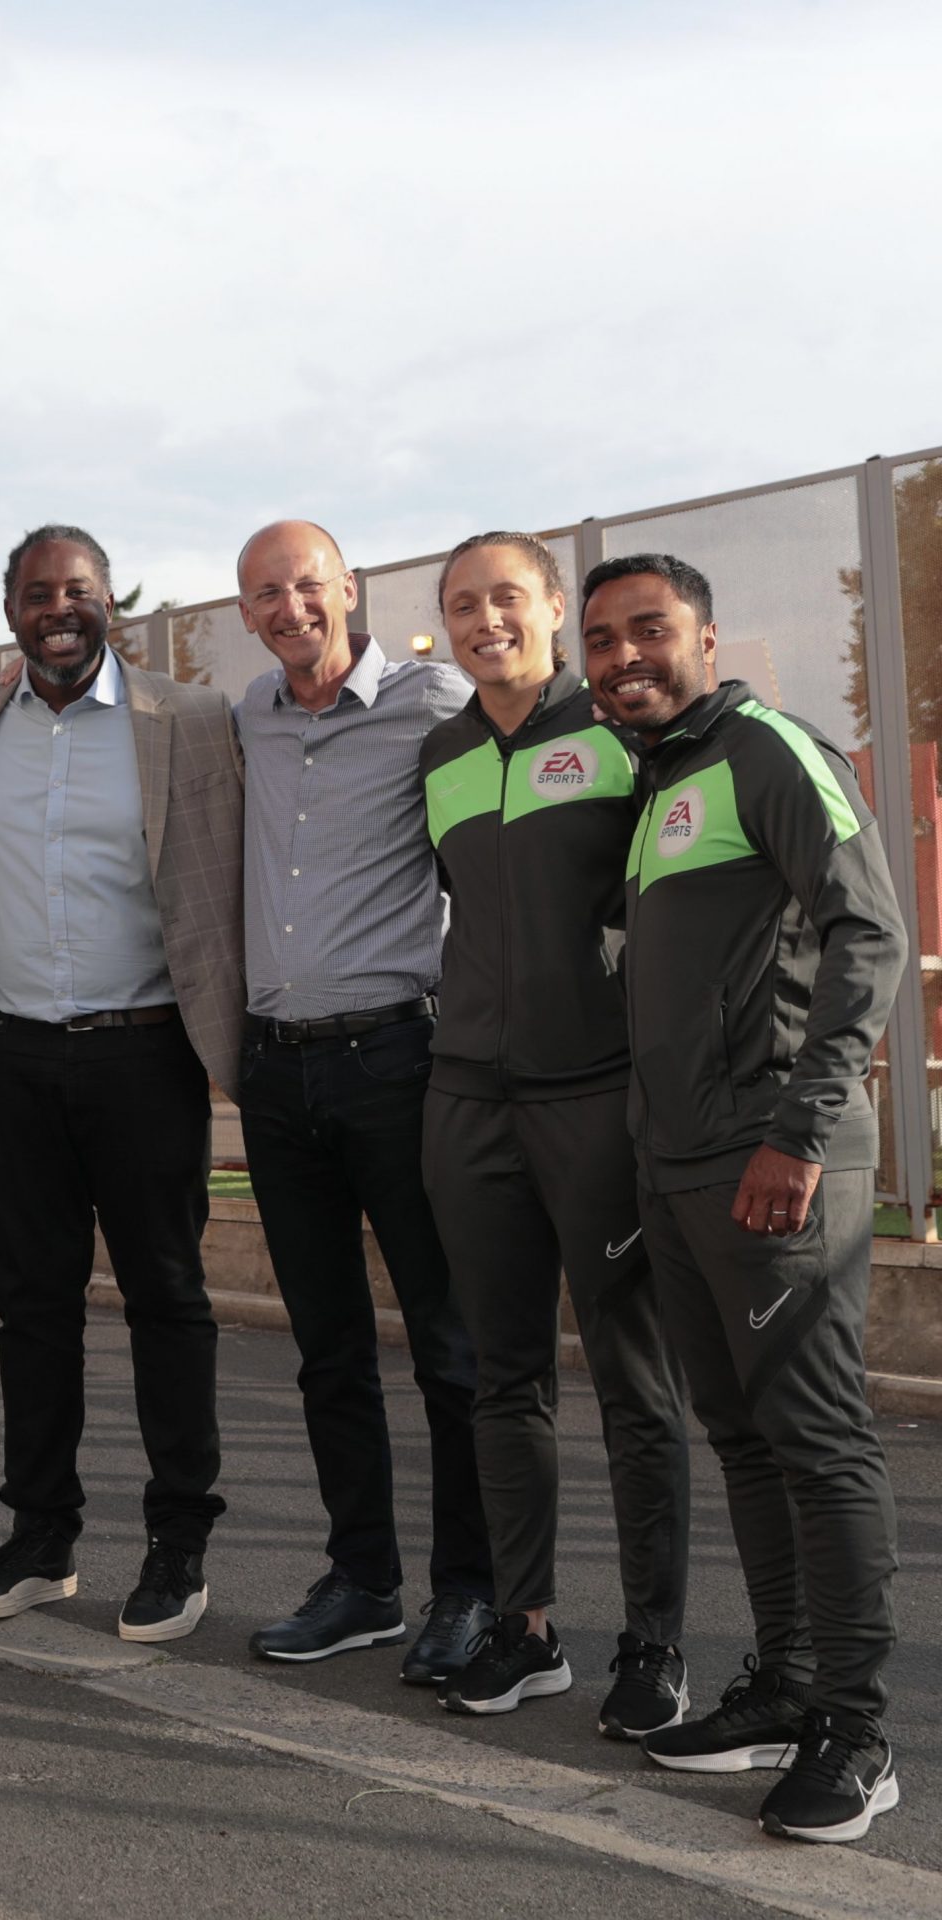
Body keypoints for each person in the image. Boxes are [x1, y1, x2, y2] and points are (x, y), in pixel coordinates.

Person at [587, 553, 907, 1844]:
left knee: (819, 1442)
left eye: (648, 629)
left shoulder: (769, 749)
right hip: (677, 1167)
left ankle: (859, 1733)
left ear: (707, 640)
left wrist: (801, 1131)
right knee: (742, 1433)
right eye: (600, 639)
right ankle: (785, 1687)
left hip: (773, 1160)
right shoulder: (659, 780)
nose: (622, 656)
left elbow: (869, 932)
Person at [0, 525, 245, 1640]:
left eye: (80, 589)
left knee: (168, 1302)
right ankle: (40, 1535)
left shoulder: (189, 718)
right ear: (9, 608)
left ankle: (178, 1542)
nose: (60, 607)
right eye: (37, 591)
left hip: (146, 1052)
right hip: (14, 1056)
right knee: (32, 1308)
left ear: (111, 602)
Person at [415, 533, 692, 1726]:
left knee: (634, 1380)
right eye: (461, 605)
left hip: (596, 1099)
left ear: (549, 612)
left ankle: (654, 1646)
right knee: (502, 1378)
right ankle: (525, 1630)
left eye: (506, 599)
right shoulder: (438, 755)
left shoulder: (624, 734)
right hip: (467, 1102)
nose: (485, 621)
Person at [232, 519, 496, 1683]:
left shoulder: (433, 701)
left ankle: (471, 1589)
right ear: (245, 613)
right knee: (327, 1351)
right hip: (274, 1073)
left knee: (447, 1345)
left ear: (348, 588)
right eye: (264, 594)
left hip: (398, 1061)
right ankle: (362, 1582)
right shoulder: (245, 714)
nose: (289, 608)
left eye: (305, 585)